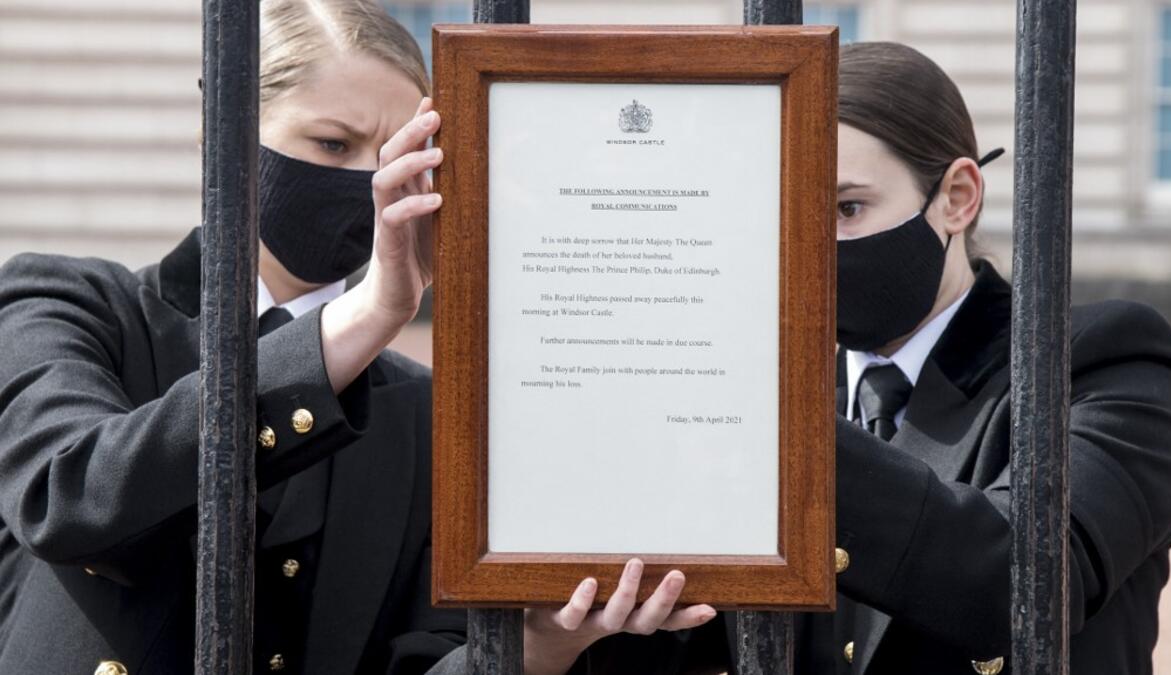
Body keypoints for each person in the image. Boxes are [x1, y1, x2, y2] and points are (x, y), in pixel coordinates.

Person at [0, 1, 713, 673]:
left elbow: (426, 654)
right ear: (220, 128)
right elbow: (68, 497)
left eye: (397, 157)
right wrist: (369, 315)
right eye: (332, 143)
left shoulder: (424, 411)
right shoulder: (74, 302)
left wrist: (534, 645)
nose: (370, 184)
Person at [680, 41, 1171, 675]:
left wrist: (775, 428)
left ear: (956, 196)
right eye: (785, 209)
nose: (809, 242)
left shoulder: (1097, 360)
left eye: (847, 207)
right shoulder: (774, 384)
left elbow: (1028, 585)